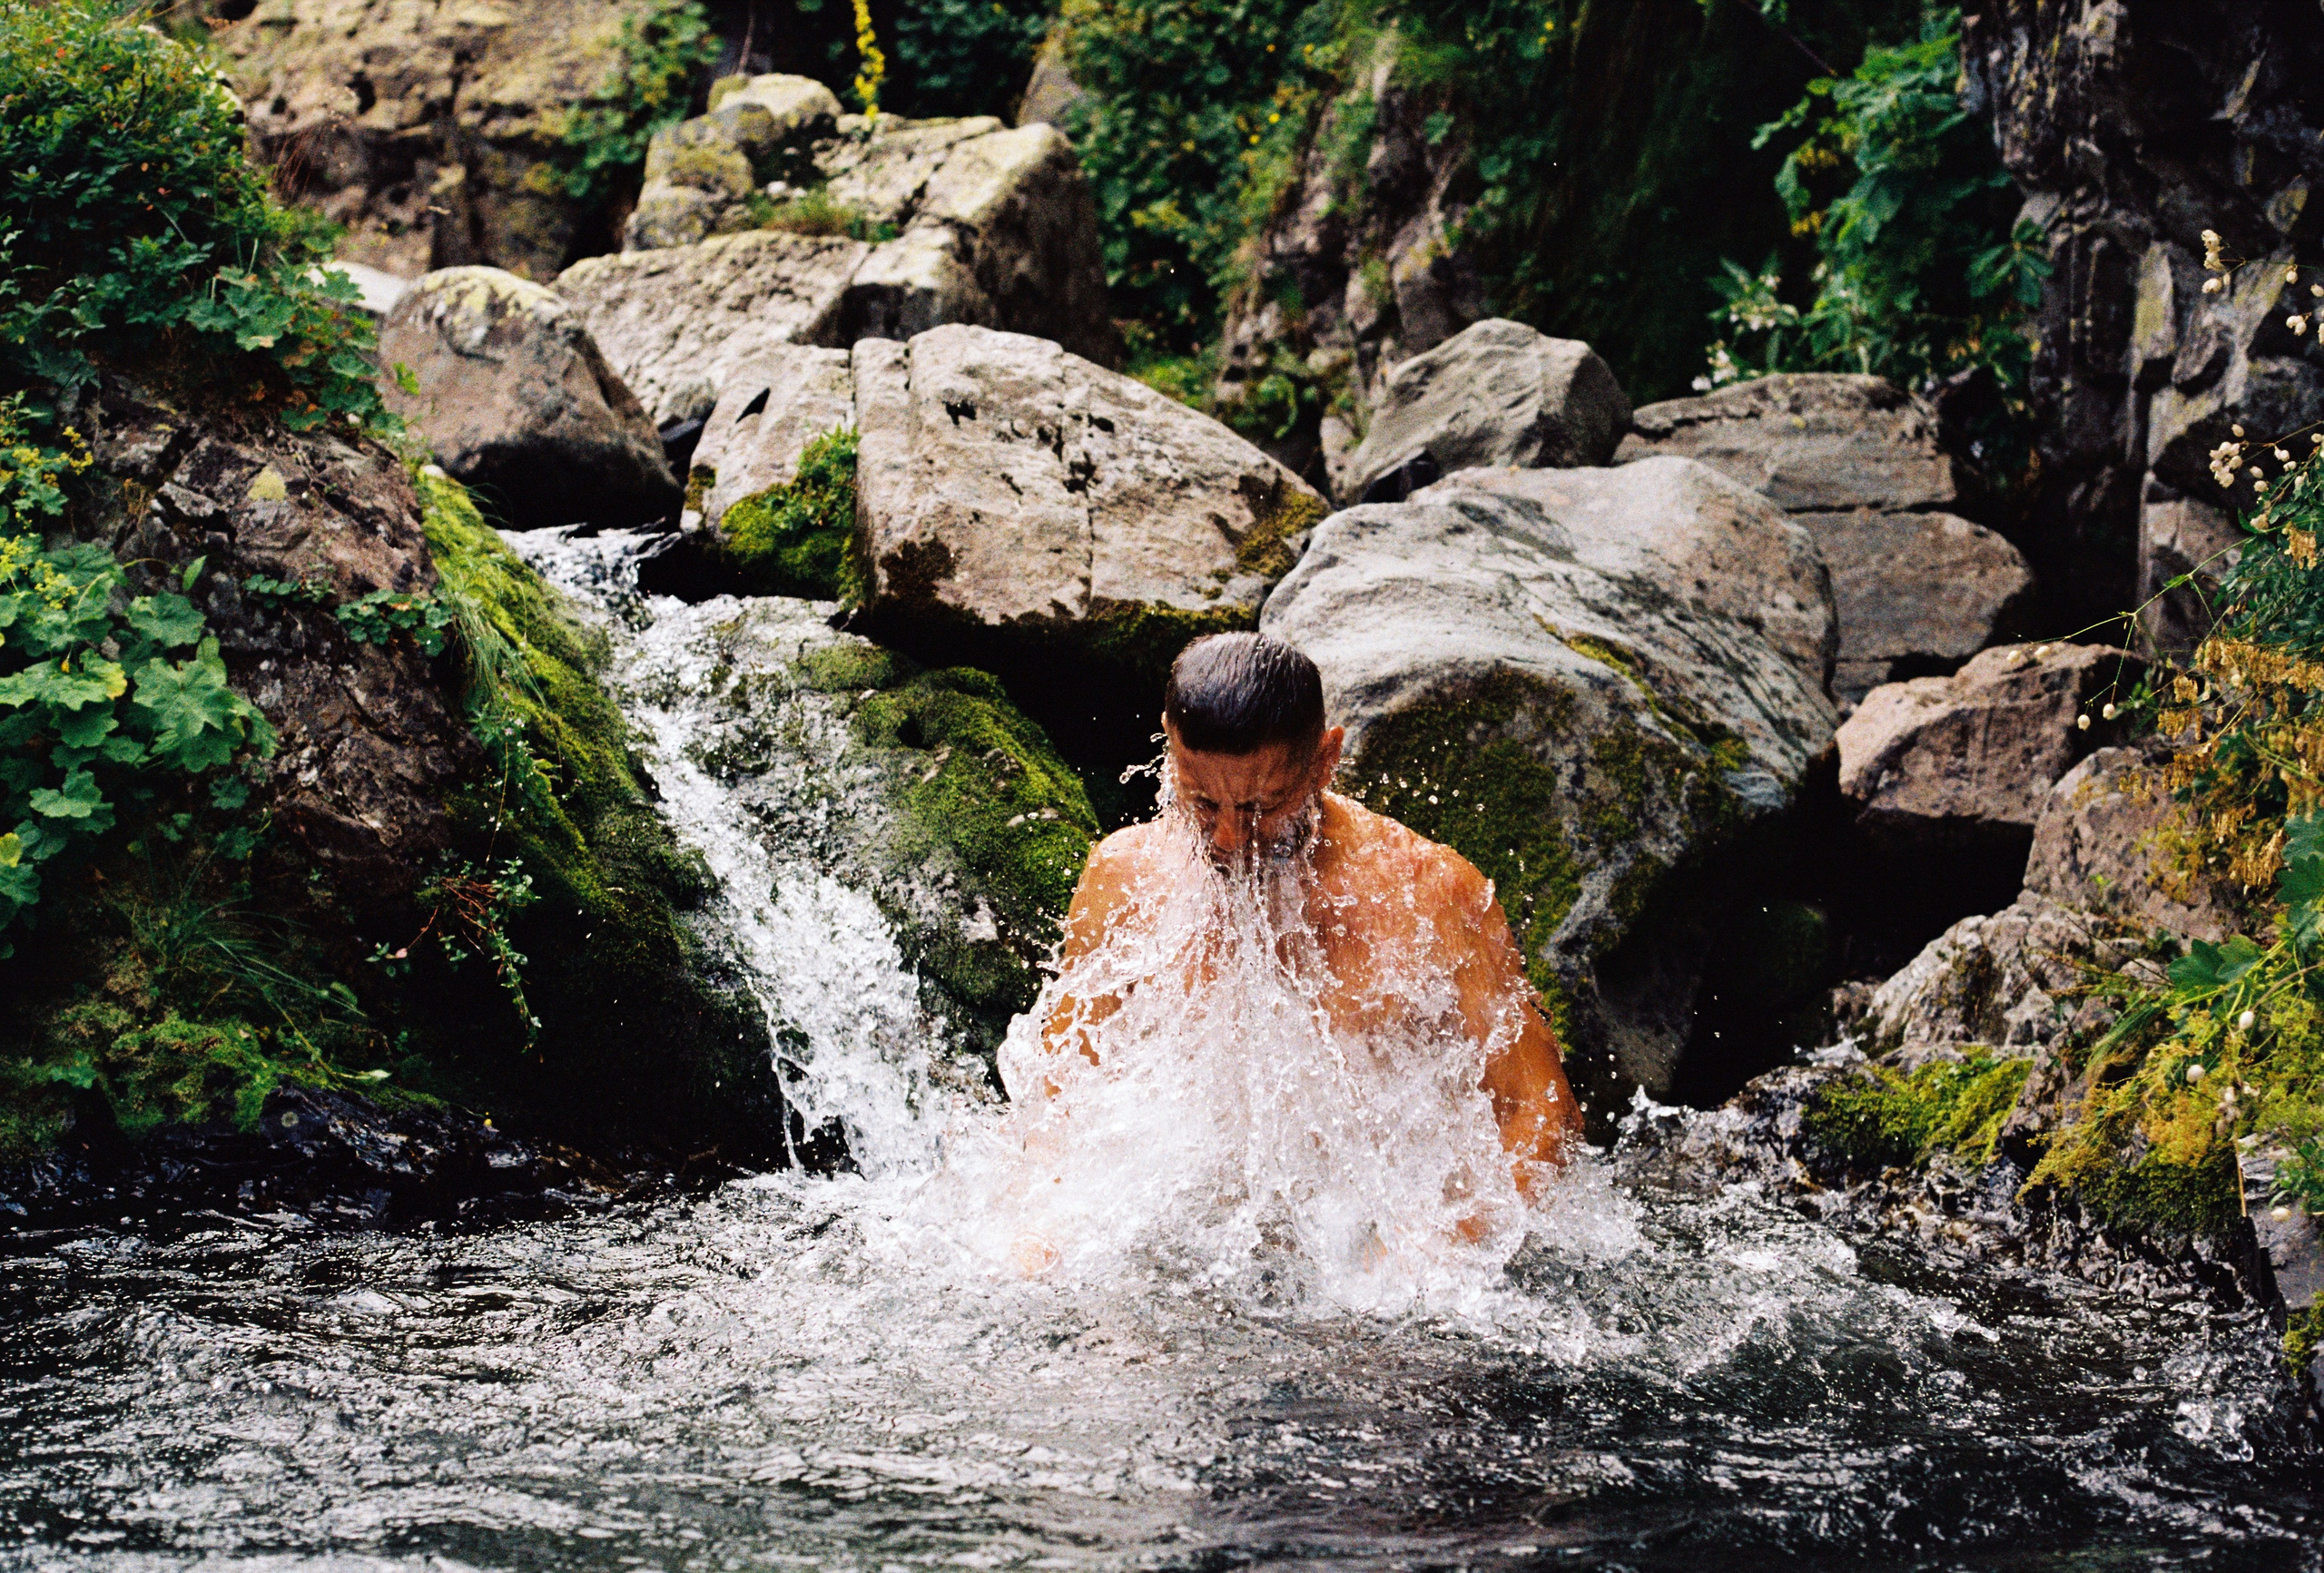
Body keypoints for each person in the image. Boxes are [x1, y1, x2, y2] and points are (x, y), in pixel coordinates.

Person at [1031, 632, 1583, 1208]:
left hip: (1390, 1212)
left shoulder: (1429, 895)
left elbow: (1543, 1113)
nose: (1229, 840)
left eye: (1262, 807)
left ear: (1325, 760)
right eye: (1203, 803)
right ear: (1170, 743)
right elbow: (1061, 1099)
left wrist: (1445, 1241)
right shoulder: (1124, 879)